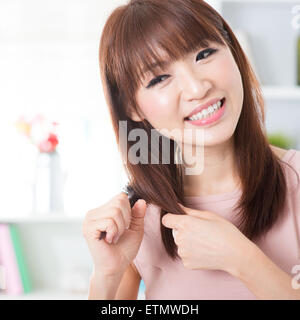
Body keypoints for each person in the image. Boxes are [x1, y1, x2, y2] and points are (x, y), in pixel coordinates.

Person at [82, 0, 300, 299]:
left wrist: (242, 259)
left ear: (234, 51)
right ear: (132, 106)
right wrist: (107, 276)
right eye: (159, 78)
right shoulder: (135, 219)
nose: (197, 89)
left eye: (204, 53)